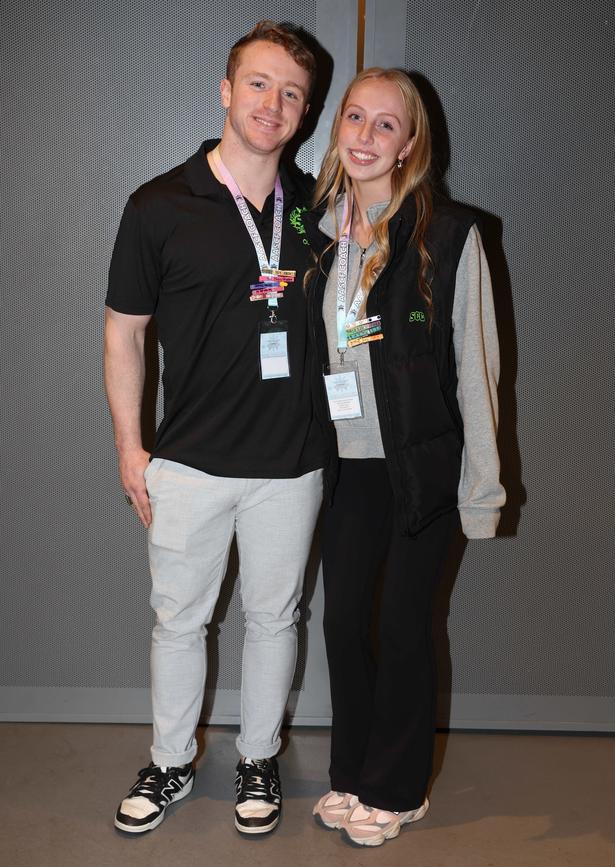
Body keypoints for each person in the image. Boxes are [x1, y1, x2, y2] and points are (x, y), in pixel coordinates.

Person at [104, 21, 324, 836]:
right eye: (260, 84)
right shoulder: (158, 204)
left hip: (293, 461)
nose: (274, 104)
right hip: (188, 460)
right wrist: (131, 446)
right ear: (227, 92)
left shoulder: (316, 207)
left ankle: (258, 756)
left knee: (276, 617)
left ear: (304, 114)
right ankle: (169, 761)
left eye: (292, 93)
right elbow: (124, 331)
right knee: (179, 620)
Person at [304, 68, 506, 847]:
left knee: (402, 623)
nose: (364, 135)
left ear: (410, 144)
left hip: (420, 466)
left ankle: (398, 787)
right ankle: (353, 771)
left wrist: (480, 492)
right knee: (345, 619)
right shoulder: (318, 235)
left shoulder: (450, 235)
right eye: (355, 117)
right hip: (347, 467)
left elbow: (476, 368)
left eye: (385, 124)